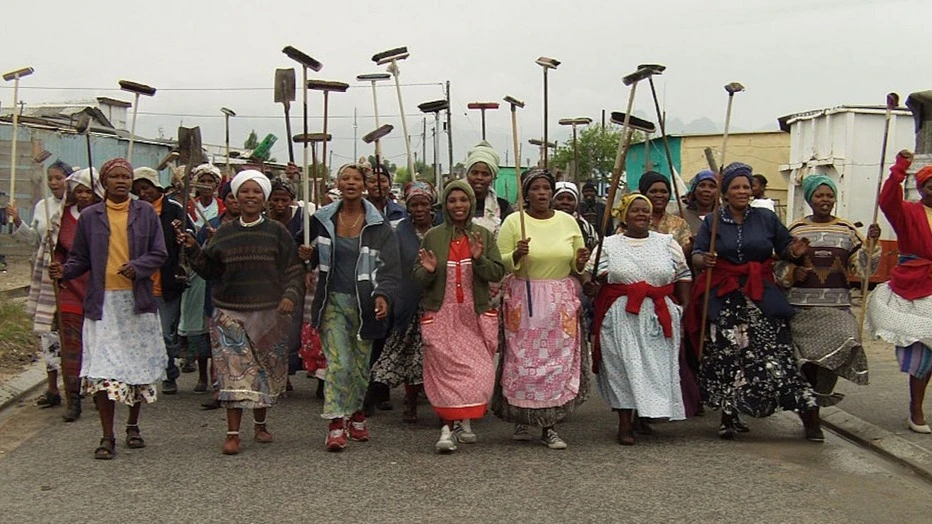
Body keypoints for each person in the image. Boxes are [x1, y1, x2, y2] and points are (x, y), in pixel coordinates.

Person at [688, 161, 819, 441]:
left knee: (777, 353)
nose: (742, 191)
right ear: (725, 193)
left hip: (761, 294)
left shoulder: (766, 218)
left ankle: (809, 414)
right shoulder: (712, 221)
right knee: (727, 353)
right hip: (725, 296)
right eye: (735, 187)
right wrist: (704, 259)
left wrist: (794, 251)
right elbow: (697, 254)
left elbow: (785, 248)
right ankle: (728, 415)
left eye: (746, 186)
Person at [179, 170, 304, 455]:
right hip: (229, 313)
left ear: (265, 198)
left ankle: (260, 425)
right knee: (232, 375)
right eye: (244, 191)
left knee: (264, 372)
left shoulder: (277, 232)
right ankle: (232, 433)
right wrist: (194, 249)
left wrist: (290, 295)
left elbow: (293, 268)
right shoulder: (223, 233)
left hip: (268, 314)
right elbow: (210, 269)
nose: (250, 196)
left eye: (256, 192)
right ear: (235, 196)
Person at [49, 158, 168, 460]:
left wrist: (138, 267)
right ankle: (107, 436)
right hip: (102, 305)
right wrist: (63, 271)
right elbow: (79, 259)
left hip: (136, 303)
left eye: (125, 176)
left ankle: (133, 426)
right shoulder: (90, 217)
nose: (121, 181)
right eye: (114, 176)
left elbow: (159, 253)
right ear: (104, 181)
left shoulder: (145, 213)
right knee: (104, 371)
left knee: (135, 369)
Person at [301, 163, 401, 452]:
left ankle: (356, 413)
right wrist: (306, 258)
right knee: (339, 363)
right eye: (345, 178)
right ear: (338, 183)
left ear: (365, 185)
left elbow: (390, 268)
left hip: (365, 303)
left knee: (359, 367)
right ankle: (335, 422)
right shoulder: (321, 219)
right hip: (331, 300)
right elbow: (306, 252)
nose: (351, 183)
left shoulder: (378, 225)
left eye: (357, 179)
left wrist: (383, 295)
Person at [494, 168, 589, 449]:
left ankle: (550, 425)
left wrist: (581, 262)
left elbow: (576, 265)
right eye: (535, 188)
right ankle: (523, 416)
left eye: (546, 188)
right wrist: (516, 255)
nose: (542, 193)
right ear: (526, 193)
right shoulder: (514, 222)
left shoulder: (568, 222)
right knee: (523, 362)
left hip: (558, 300)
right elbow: (500, 263)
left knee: (555, 364)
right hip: (525, 297)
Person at [587, 194, 691, 445]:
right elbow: (592, 276)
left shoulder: (667, 242)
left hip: (658, 314)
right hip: (621, 315)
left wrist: (683, 307)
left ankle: (646, 415)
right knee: (622, 367)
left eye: (645, 210)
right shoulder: (608, 245)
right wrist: (590, 284)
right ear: (624, 216)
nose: (642, 214)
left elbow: (683, 274)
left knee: (655, 366)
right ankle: (624, 422)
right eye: (635, 210)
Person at [776, 174, 879, 418]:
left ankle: (816, 402)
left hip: (836, 308)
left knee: (842, 348)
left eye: (830, 195)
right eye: (820, 195)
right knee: (807, 363)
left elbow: (862, 270)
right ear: (810, 198)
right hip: (801, 309)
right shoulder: (796, 228)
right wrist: (793, 271)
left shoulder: (847, 229)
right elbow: (778, 266)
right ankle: (811, 414)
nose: (825, 200)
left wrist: (870, 245)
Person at [414, 180, 505, 453]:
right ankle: (446, 428)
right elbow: (417, 277)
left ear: (471, 203)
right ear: (445, 205)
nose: (458, 205)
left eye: (463, 200)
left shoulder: (484, 236)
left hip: (473, 316)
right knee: (444, 373)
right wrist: (428, 271)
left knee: (479, 372)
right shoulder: (432, 236)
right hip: (441, 315)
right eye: (452, 200)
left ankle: (463, 420)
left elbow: (497, 273)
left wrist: (479, 260)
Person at [866, 151, 932, 434]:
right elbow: (887, 201)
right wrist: (899, 169)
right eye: (931, 184)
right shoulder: (908, 212)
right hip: (918, 285)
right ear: (921, 187)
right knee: (924, 349)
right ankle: (915, 409)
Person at [6, 161, 72, 409]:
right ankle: (53, 388)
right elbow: (34, 240)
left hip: (71, 276)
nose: (54, 183)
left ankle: (78, 385)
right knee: (48, 332)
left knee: (73, 331)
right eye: (51, 178)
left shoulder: (77, 207)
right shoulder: (43, 207)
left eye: (59, 178)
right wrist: (17, 221)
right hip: (45, 276)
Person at [370, 181, 437, 423]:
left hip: (437, 302)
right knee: (411, 353)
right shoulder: (400, 232)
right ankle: (410, 400)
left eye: (424, 204)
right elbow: (391, 266)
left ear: (432, 205)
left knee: (436, 355)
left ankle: (441, 402)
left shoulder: (441, 229)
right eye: (414, 205)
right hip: (410, 302)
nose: (419, 209)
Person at [132, 167, 194, 392]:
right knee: (143, 332)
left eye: (146, 187)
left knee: (165, 333)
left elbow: (191, 235)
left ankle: (170, 373)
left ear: (156, 187)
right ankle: (144, 374)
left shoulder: (174, 209)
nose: (143, 193)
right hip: (141, 281)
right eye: (138, 189)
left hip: (167, 280)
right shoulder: (134, 211)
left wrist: (184, 238)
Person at [54, 168, 104, 422]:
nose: (84, 196)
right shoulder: (61, 217)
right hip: (69, 288)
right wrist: (57, 266)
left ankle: (98, 392)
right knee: (71, 346)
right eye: (79, 191)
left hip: (100, 289)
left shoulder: (103, 217)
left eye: (89, 191)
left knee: (97, 344)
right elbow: (56, 250)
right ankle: (73, 398)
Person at [464, 141, 513, 237]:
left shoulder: (503, 208)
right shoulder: (453, 204)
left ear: (493, 177)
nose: (479, 177)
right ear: (467, 174)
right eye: (474, 173)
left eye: (485, 174)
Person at [553, 181, 598, 250]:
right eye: (560, 198)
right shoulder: (542, 222)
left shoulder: (585, 227)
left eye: (570, 199)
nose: (565, 202)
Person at [681, 170, 718, 236]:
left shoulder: (724, 217)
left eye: (712, 186)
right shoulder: (680, 216)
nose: (706, 190)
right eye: (702, 185)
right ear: (694, 190)